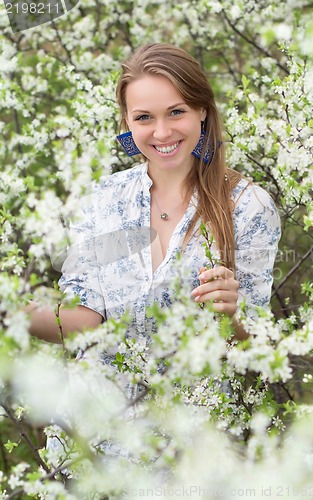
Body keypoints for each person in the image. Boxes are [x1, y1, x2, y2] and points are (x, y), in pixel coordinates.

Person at [26, 43, 281, 343]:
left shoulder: (249, 206)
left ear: (201, 110)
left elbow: (255, 341)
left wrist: (232, 314)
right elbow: (83, 319)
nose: (162, 133)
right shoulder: (101, 199)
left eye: (176, 112)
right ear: (127, 121)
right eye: (144, 117)